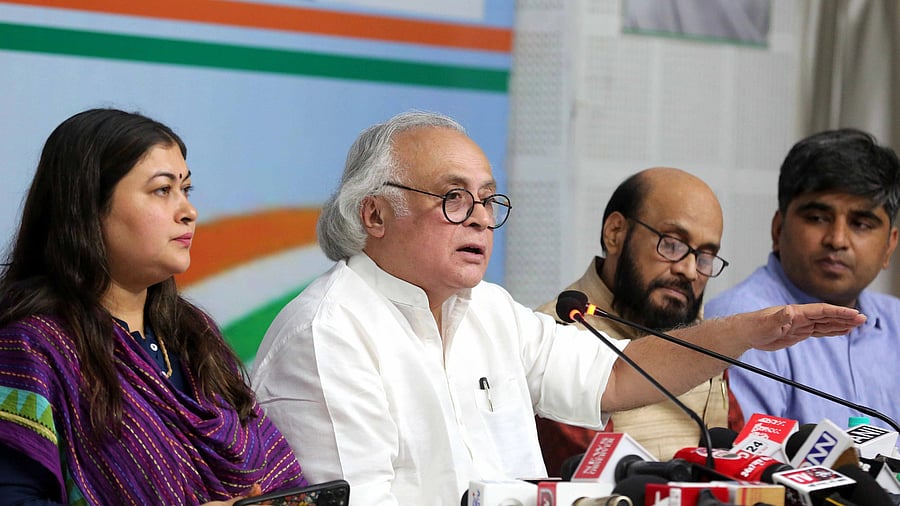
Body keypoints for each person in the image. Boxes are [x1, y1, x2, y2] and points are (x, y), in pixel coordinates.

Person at [250, 111, 864, 505]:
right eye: (455, 199)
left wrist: (749, 332)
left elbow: (620, 375)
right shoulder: (329, 332)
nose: (483, 220)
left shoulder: (488, 309)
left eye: (490, 201)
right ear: (374, 213)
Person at [0, 109, 306, 505]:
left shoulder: (194, 334)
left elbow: (278, 482)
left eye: (186, 189)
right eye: (163, 190)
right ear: (88, 207)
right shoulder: (32, 348)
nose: (188, 211)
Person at [535, 167, 737, 468]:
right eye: (672, 244)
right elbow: (592, 481)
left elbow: (736, 452)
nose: (690, 271)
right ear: (615, 233)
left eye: (705, 257)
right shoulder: (558, 336)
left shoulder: (701, 338)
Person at [705, 128, 900, 430]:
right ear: (777, 230)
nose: (837, 240)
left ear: (889, 245)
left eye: (861, 224)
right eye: (817, 218)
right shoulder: (739, 324)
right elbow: (754, 468)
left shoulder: (896, 321)